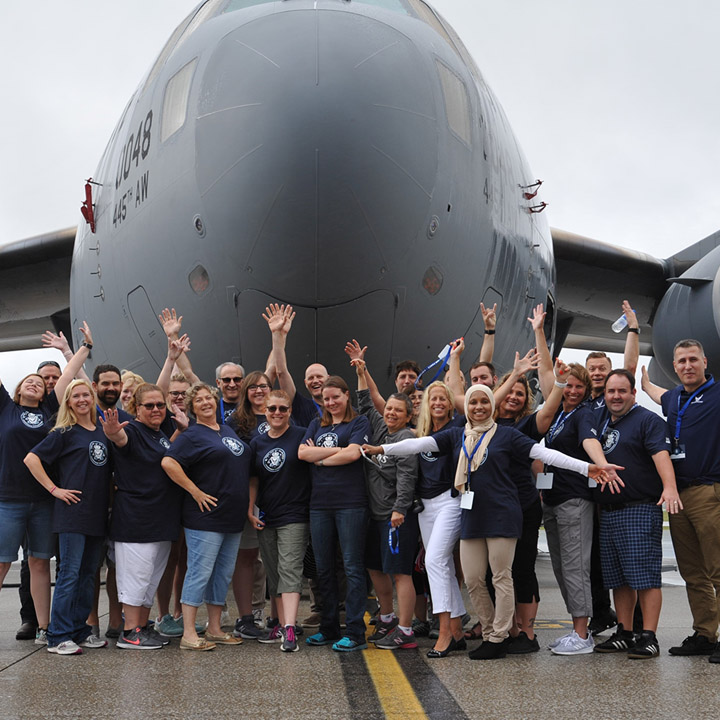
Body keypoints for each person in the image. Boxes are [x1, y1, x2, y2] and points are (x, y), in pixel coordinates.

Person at [363, 384, 616, 660]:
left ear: (492, 406)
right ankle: (489, 629)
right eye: (473, 402)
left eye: (485, 402)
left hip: (502, 514)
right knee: (473, 579)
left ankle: (498, 636)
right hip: (472, 514)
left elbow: (545, 455)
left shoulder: (507, 436)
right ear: (467, 406)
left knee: (501, 577)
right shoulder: (458, 435)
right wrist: (382, 447)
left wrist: (587, 467)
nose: (479, 407)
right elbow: (420, 443)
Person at [0, 322, 92, 645]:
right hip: (7, 499)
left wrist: (83, 348)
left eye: (41, 383)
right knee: (2, 562)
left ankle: (43, 627)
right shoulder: (5, 410)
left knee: (39, 562)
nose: (36, 384)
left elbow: (67, 377)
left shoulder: (51, 410)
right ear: (19, 388)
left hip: (43, 501)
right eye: (30, 381)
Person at [591, 369, 681, 659]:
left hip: (639, 508)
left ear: (633, 393)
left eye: (621, 391)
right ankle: (625, 632)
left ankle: (649, 636)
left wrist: (669, 487)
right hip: (609, 511)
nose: (616, 396)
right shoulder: (603, 422)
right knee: (618, 578)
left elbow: (661, 456)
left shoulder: (648, 421)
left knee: (645, 577)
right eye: (610, 392)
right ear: (604, 395)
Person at [642, 339, 720, 663]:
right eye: (681, 362)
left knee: (718, 569)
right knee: (693, 572)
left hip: (709, 492)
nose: (687, 366)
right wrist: (643, 380)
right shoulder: (674, 398)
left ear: (704, 362)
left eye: (693, 360)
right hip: (678, 496)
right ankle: (705, 633)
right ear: (674, 367)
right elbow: (652, 391)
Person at [24, 379, 111, 655]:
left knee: (88, 575)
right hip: (72, 513)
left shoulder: (101, 431)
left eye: (86, 394)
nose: (82, 399)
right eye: (76, 396)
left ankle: (78, 630)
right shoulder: (64, 432)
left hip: (97, 514)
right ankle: (57, 636)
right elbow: (31, 459)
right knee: (69, 574)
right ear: (69, 402)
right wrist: (55, 489)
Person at [542, 363, 623, 655]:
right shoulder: (557, 413)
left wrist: (600, 464)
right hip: (552, 498)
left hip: (574, 499)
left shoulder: (584, 413)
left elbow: (589, 440)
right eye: (569, 385)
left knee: (576, 567)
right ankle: (578, 628)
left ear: (587, 390)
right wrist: (539, 332)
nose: (573, 391)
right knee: (562, 568)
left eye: (580, 386)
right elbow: (546, 377)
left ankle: (581, 634)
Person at [161, 383, 248, 651]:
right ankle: (189, 633)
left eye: (209, 398)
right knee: (200, 572)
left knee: (222, 574)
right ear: (191, 406)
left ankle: (214, 628)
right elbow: (168, 462)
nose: (206, 402)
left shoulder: (227, 430)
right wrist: (194, 490)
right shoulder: (191, 435)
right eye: (199, 400)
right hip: (205, 517)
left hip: (231, 518)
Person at [492, 358, 570, 654]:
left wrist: (559, 383)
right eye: (509, 391)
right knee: (497, 572)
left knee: (522, 569)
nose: (513, 396)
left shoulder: (527, 424)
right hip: (492, 507)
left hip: (523, 505)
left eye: (520, 394)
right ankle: (508, 628)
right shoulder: (482, 422)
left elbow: (549, 409)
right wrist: (515, 375)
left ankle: (527, 632)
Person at [101, 383, 186, 650]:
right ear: (136, 409)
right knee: (135, 578)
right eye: (149, 405)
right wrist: (113, 434)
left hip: (161, 519)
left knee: (151, 578)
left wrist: (181, 430)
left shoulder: (160, 434)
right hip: (136, 520)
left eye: (160, 405)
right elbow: (121, 441)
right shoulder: (133, 431)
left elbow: (161, 456)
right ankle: (129, 632)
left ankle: (143, 626)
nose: (156, 410)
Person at [298, 376, 372, 652]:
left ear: (346, 395)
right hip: (320, 505)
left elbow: (354, 455)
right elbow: (301, 454)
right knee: (323, 568)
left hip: (351, 504)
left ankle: (354, 632)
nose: (331, 403)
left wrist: (318, 456)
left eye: (335, 397)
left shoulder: (359, 422)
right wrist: (335, 453)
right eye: (326, 399)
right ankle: (328, 628)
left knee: (352, 567)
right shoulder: (317, 424)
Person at [354, 358, 419, 650]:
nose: (391, 413)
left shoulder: (407, 438)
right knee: (375, 567)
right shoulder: (381, 431)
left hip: (395, 517)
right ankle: (388, 616)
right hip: (374, 515)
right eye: (389, 408)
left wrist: (399, 510)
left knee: (400, 572)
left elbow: (407, 477)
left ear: (408, 416)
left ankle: (405, 630)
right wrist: (360, 371)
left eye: (398, 411)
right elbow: (366, 402)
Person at [248, 389, 311, 653]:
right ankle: (278, 622)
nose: (277, 413)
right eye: (272, 408)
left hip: (295, 515)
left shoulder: (302, 435)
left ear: (290, 411)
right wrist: (250, 509)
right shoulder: (257, 443)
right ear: (265, 411)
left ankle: (289, 629)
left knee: (290, 570)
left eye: (282, 409)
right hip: (267, 516)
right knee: (273, 573)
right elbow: (254, 479)